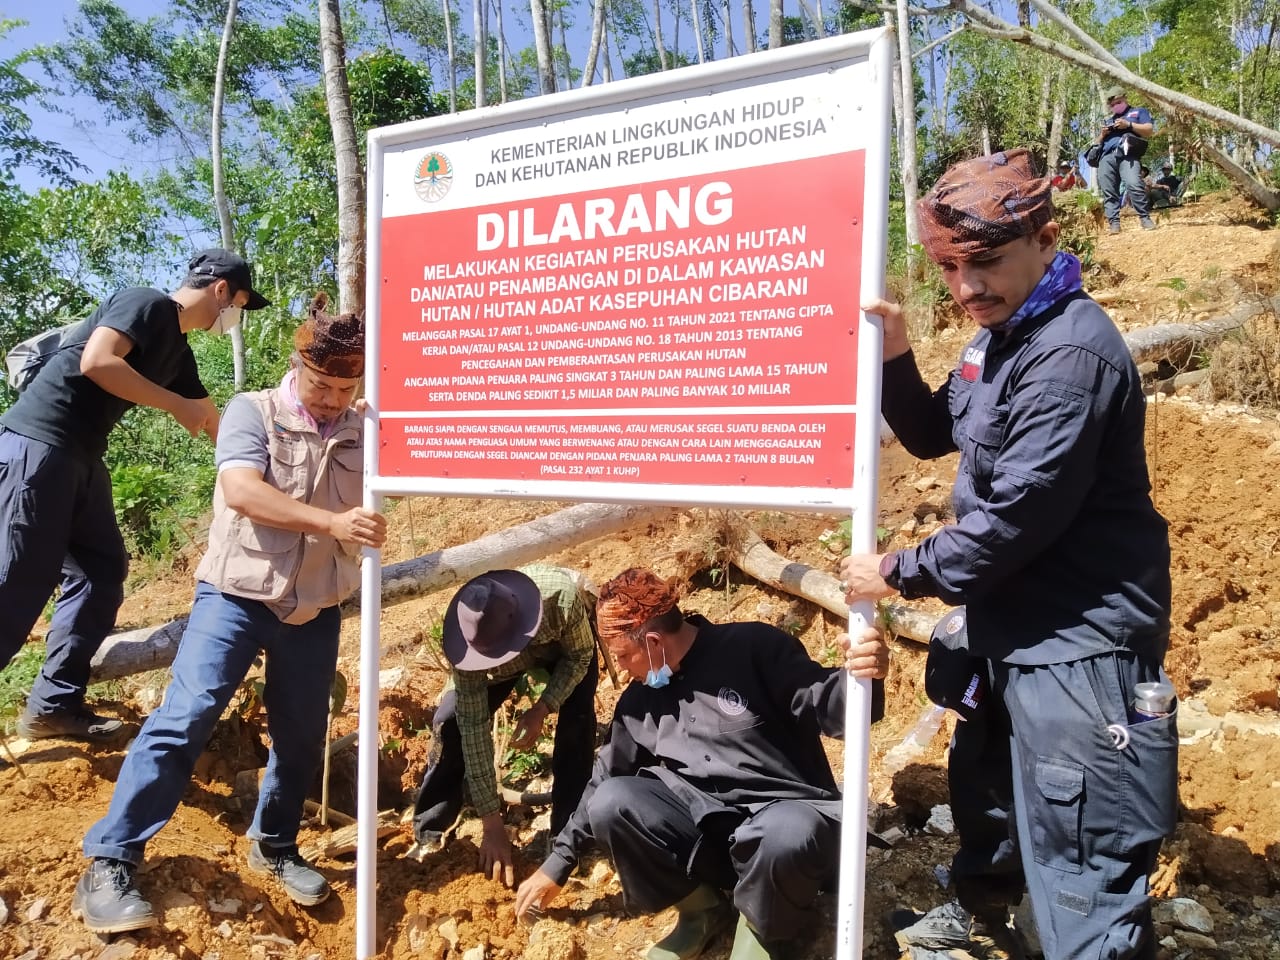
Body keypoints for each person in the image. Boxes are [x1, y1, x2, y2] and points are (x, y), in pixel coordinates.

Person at [840, 150, 1177, 960]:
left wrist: (895, 571)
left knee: (1082, 863)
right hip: (1008, 630)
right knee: (991, 796)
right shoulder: (998, 337)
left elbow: (1016, 519)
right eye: (949, 268)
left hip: (1077, 646)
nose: (967, 287)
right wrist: (895, 348)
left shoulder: (1068, 355)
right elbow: (931, 432)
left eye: (985, 261)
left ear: (1046, 240)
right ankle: (989, 917)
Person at [73, 294, 387, 934]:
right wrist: (330, 522)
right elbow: (242, 491)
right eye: (321, 386)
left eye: (344, 389)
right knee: (186, 717)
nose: (332, 400)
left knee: (301, 736)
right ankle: (111, 859)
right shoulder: (253, 411)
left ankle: (274, 843)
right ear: (297, 368)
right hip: (236, 594)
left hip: (314, 604)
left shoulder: (366, 428)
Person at [514, 567, 890, 960]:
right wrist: (558, 862)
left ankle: (763, 932)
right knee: (611, 801)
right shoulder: (639, 704)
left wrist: (864, 674)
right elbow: (603, 781)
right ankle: (703, 911)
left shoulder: (752, 649)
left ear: (654, 642)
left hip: (789, 843)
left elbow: (832, 708)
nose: (621, 670)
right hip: (716, 845)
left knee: (787, 831)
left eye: (624, 656)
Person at [0, 249, 269, 742]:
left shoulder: (178, 353)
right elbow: (97, 361)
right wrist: (172, 404)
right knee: (16, 582)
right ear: (221, 290)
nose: (236, 317)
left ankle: (53, 706)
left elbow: (212, 422)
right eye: (240, 304)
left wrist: (262, 481)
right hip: (38, 447)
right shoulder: (145, 303)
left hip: (82, 458)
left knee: (100, 576)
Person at [412, 564, 600, 886]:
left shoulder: (560, 600)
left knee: (577, 725)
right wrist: (492, 824)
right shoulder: (468, 644)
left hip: (564, 650)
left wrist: (542, 707)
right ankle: (431, 829)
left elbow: (580, 656)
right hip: (495, 667)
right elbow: (473, 725)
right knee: (450, 722)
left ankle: (567, 840)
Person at [1095, 84, 1156, 233]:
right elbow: (1096, 143)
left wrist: (1128, 124)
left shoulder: (1138, 112)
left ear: (1125, 98)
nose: (1116, 106)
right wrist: (1102, 135)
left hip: (1128, 154)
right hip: (1107, 156)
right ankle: (1114, 224)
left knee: (1134, 183)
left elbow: (1149, 130)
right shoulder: (1109, 120)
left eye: (1118, 102)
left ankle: (1145, 218)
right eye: (1112, 105)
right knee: (1108, 189)